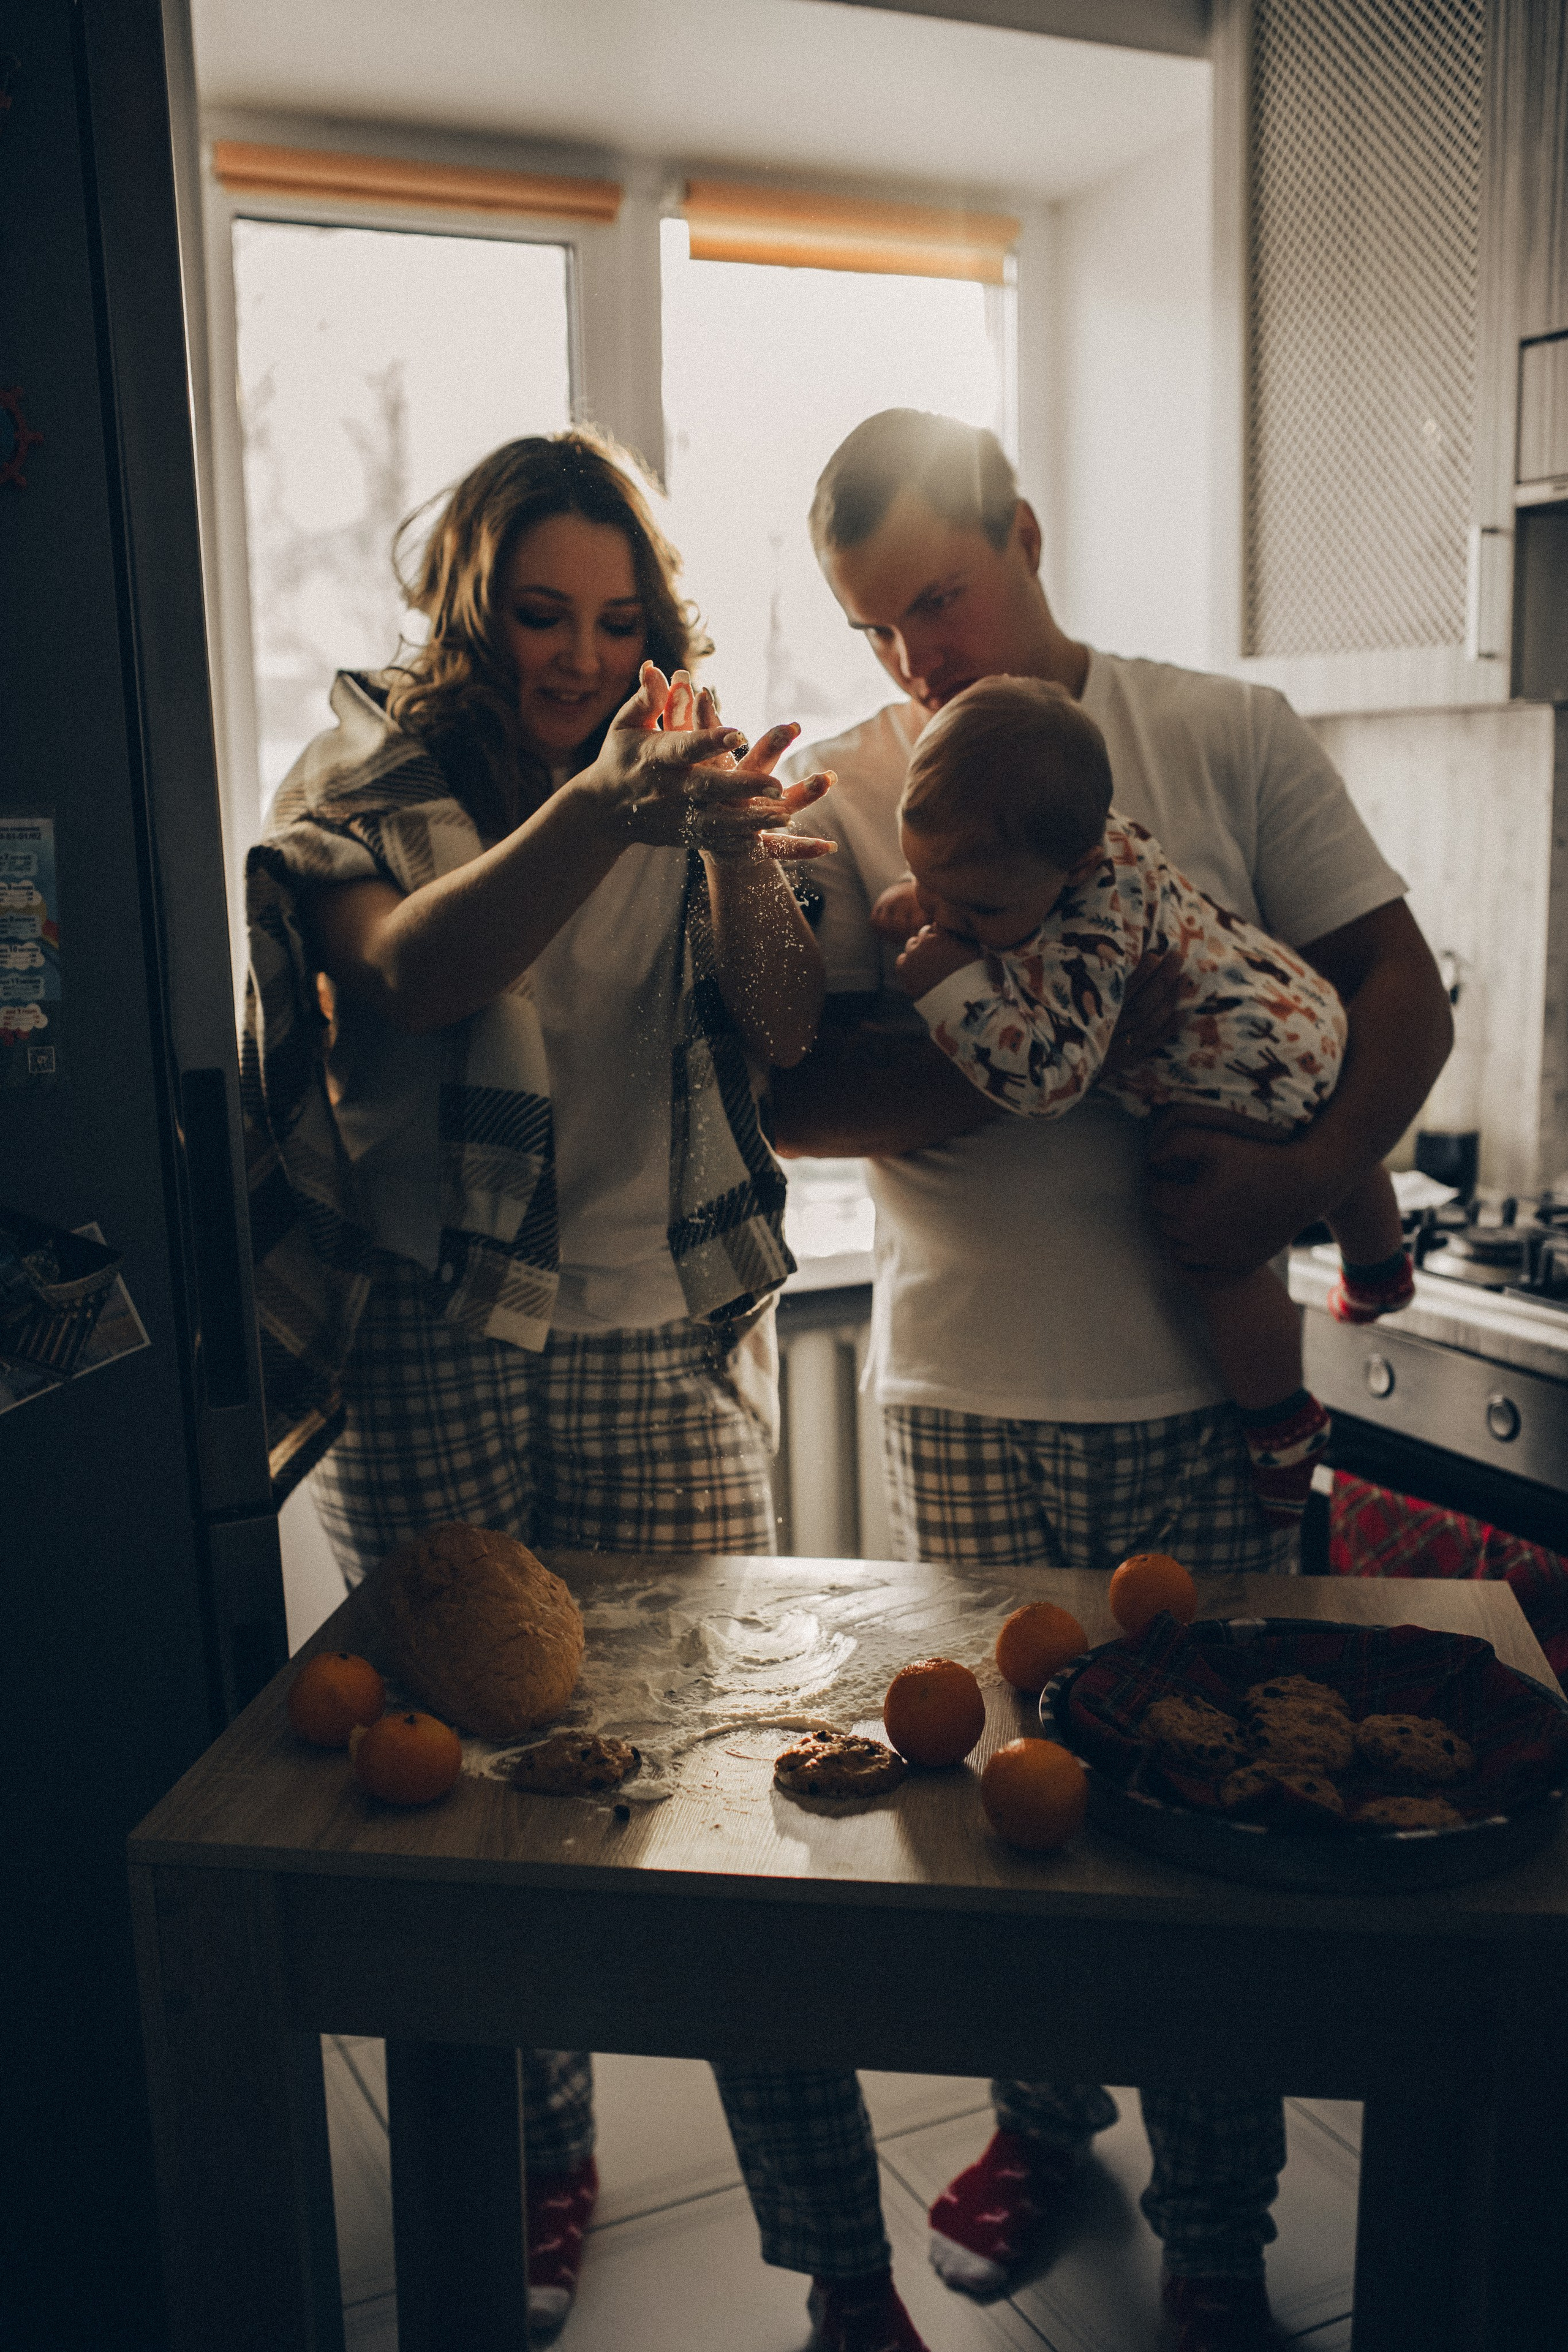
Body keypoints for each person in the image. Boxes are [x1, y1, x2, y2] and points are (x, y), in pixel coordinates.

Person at [766, 410, 1452, 2352]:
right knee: (1008, 1802)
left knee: (1218, 1821)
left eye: (937, 599)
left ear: (1025, 532)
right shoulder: (849, 794)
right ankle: (1039, 2126)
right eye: (875, 627)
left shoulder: (1222, 731)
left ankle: (1220, 2217)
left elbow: (1398, 996)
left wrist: (1309, 1184)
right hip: (961, 1391)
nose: (915, 658)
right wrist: (1019, 1050)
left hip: (1199, 1395)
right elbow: (793, 1098)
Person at [242, 429, 931, 2352]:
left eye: (617, 620)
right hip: (428, 1339)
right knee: (474, 1805)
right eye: (541, 615)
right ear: (470, 613)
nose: (580, 654)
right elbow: (406, 981)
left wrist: (731, 857)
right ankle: (536, 2170)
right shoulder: (362, 783)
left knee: (733, 1802)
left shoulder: (684, 772)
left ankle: (841, 2257)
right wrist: (607, 812)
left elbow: (780, 1034)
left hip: (650, 1324)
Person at [883, 673, 1412, 1527]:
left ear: (1072, 869)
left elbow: (1052, 1079)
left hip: (1236, 1071)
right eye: (926, 879)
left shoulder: (1092, 932)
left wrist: (951, 988)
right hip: (1301, 1015)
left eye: (979, 907)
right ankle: (1378, 1263)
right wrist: (942, 901)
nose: (948, 916)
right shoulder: (1081, 842)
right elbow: (984, 885)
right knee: (1323, 1119)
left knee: (1212, 1248)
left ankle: (1283, 1422)